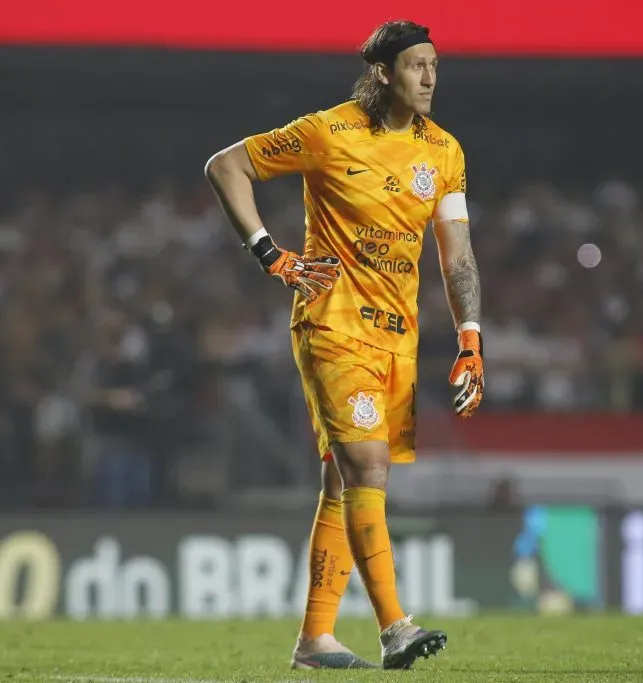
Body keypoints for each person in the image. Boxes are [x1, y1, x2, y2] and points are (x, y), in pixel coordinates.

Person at [205, 19, 483, 670]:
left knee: (340, 480)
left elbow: (458, 256)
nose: (430, 76)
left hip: (397, 338)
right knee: (368, 468)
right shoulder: (328, 133)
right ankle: (395, 626)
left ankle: (315, 639)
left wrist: (470, 337)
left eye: (435, 65)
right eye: (416, 65)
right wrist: (271, 255)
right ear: (384, 72)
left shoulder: (443, 152)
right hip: (333, 323)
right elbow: (227, 166)